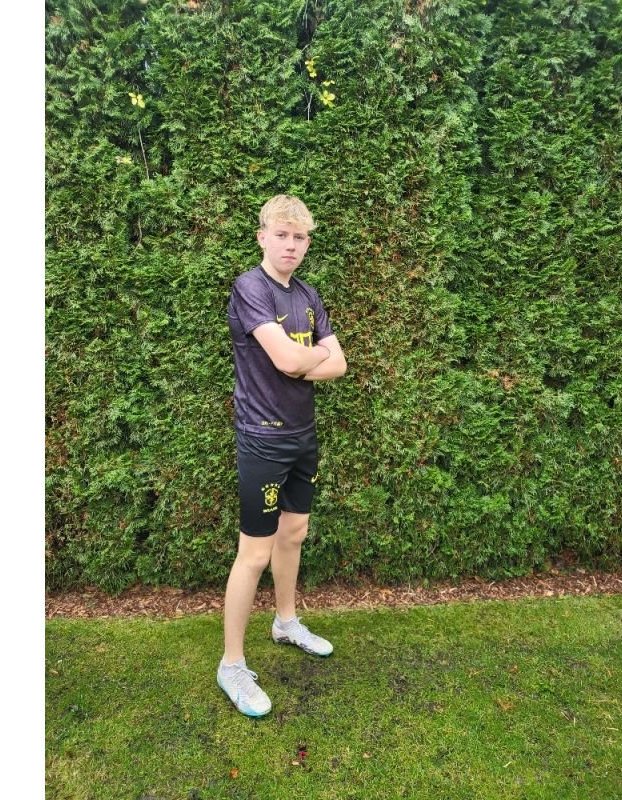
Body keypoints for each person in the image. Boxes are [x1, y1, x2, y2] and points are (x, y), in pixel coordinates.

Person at [217, 194, 347, 717]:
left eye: (299, 237)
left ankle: (285, 622)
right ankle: (231, 664)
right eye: (282, 235)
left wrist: (304, 358)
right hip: (262, 438)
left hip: (302, 434)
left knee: (294, 533)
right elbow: (289, 358)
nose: (291, 245)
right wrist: (313, 355)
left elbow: (338, 364)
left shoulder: (309, 295)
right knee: (254, 552)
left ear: (307, 243)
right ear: (263, 237)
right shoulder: (250, 288)